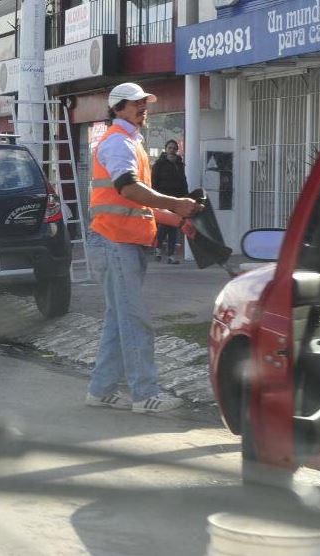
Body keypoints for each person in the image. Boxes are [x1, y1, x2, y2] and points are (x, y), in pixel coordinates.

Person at [85, 83, 203, 415]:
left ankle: (100, 391)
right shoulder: (119, 143)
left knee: (118, 320)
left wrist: (176, 219)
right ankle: (145, 395)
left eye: (144, 102)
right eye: (136, 103)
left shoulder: (130, 142)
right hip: (116, 243)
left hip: (120, 242)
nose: (143, 107)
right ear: (117, 108)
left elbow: (137, 204)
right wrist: (176, 204)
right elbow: (129, 189)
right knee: (134, 320)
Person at [151, 139, 189, 264]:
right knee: (164, 225)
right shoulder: (159, 164)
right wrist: (156, 197)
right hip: (163, 199)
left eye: (174, 148)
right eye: (170, 148)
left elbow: (183, 181)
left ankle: (171, 255)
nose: (172, 150)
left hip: (177, 200)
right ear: (166, 149)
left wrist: (185, 197)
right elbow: (154, 181)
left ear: (177, 150)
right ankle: (158, 249)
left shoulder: (179, 164)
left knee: (174, 226)